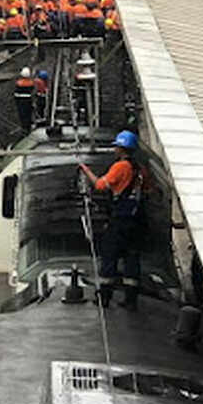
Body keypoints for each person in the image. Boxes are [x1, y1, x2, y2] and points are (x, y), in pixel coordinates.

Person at [78, 130, 147, 310]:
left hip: (120, 220)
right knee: (131, 258)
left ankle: (105, 297)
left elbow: (100, 185)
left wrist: (86, 171)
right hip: (135, 221)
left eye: (117, 146)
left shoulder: (121, 167)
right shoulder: (140, 169)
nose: (114, 150)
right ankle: (131, 300)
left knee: (109, 255)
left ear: (122, 149)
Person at [14, 67, 35, 132]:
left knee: (22, 114)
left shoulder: (19, 83)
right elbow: (32, 93)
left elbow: (16, 94)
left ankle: (23, 127)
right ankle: (28, 127)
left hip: (20, 101)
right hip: (28, 101)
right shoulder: (31, 83)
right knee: (28, 114)